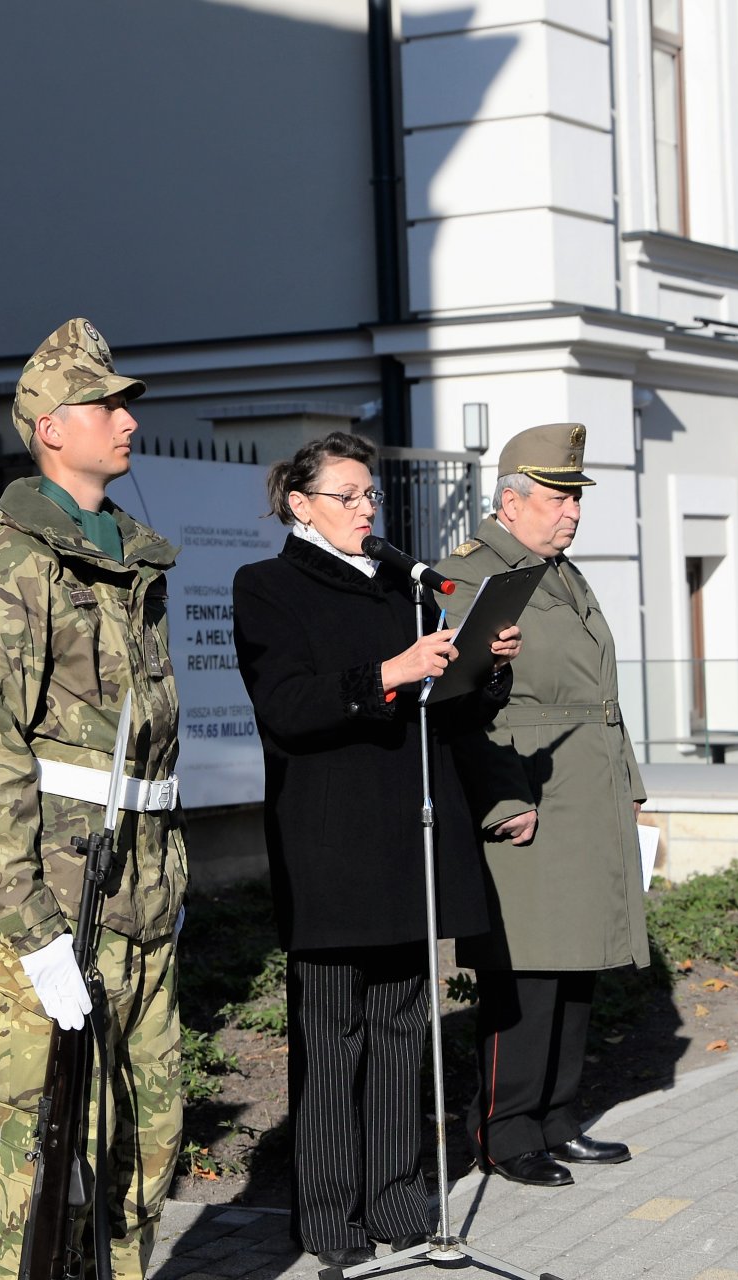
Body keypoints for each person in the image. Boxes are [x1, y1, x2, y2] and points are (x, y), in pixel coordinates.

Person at [0, 318, 186, 1280]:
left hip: (144, 903)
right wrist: (32, 929)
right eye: (103, 405)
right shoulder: (12, 564)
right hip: (64, 909)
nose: (126, 420)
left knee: (147, 1149)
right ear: (49, 428)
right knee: (47, 1164)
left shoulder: (129, 562)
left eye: (124, 405)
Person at [230, 430, 519, 1268]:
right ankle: (328, 1217)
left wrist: (484, 666)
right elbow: (288, 707)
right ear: (300, 504)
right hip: (329, 844)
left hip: (408, 836)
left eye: (371, 495)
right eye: (347, 496)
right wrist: (391, 670)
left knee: (400, 1028)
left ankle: (396, 1198)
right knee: (332, 1037)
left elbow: (446, 710)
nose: (365, 509)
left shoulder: (403, 584)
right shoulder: (268, 586)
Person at [435, 422, 648, 1189]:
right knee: (525, 966)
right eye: (558, 498)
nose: (572, 512)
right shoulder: (470, 575)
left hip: (583, 788)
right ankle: (504, 1129)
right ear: (510, 501)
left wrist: (627, 785)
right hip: (526, 787)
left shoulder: (556, 571)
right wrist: (499, 801)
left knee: (577, 960)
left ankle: (558, 1117)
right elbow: (461, 708)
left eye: (574, 498)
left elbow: (599, 696)